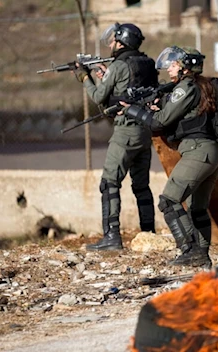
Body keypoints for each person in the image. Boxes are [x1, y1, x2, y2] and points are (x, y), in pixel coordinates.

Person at [122, 46, 218, 268]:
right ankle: (202, 258)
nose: (169, 68)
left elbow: (159, 122)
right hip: (210, 152)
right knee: (197, 207)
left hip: (197, 152)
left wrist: (133, 111)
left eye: (174, 64)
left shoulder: (185, 88)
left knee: (169, 200)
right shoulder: (202, 86)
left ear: (185, 66)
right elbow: (178, 117)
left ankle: (190, 250)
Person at [74, 23, 159, 251]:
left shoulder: (119, 65)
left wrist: (85, 78)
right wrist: (105, 76)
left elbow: (100, 97)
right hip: (144, 130)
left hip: (125, 132)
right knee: (141, 185)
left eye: (113, 41)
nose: (110, 44)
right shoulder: (147, 63)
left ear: (122, 42)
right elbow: (127, 91)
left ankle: (111, 237)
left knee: (109, 183)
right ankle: (149, 233)